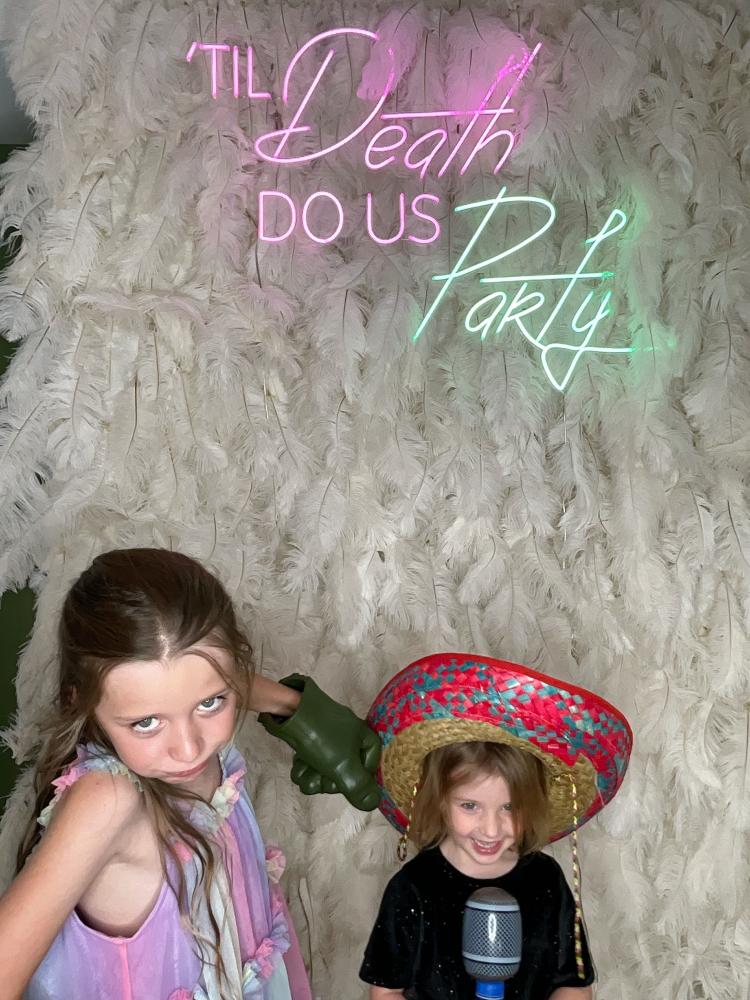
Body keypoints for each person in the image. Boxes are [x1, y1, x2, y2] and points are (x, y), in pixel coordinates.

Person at [0, 547, 379, 1000]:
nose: (188, 748)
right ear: (81, 702)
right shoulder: (107, 800)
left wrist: (298, 709)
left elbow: (207, 682)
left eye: (210, 703)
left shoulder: (187, 716)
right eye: (146, 723)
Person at [361, 652, 633, 1000]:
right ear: (440, 799)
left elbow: (574, 986)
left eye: (510, 807)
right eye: (470, 806)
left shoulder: (546, 881)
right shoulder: (413, 886)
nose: (491, 830)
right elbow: (385, 993)